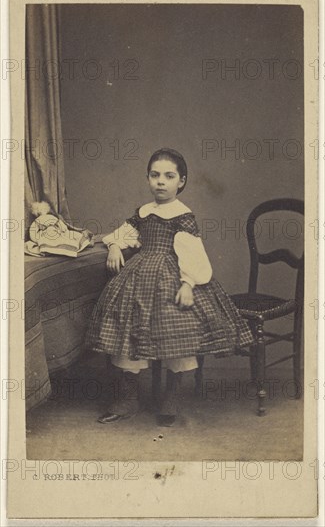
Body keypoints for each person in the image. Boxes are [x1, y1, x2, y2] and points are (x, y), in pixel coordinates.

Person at [85, 148, 253, 426]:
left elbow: (193, 253)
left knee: (179, 330)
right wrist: (115, 245)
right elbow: (122, 234)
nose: (160, 181)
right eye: (155, 175)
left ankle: (172, 395)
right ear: (148, 178)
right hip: (139, 277)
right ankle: (129, 398)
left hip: (173, 278)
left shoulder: (181, 215)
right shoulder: (144, 212)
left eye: (169, 176)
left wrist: (187, 283)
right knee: (130, 330)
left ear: (181, 182)